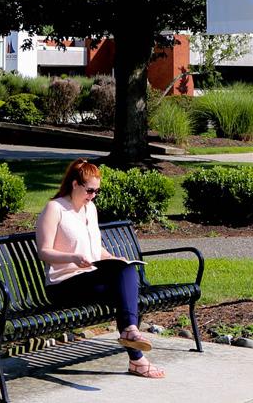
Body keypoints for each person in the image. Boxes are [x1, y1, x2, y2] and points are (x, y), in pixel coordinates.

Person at [34, 158, 165, 379]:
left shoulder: (90, 209)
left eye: (97, 191)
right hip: (64, 284)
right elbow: (43, 252)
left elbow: (95, 247)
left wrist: (113, 258)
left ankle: (133, 343)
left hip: (89, 277)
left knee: (126, 273)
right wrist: (72, 258)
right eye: (90, 190)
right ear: (75, 184)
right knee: (126, 292)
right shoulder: (55, 209)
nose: (93, 195)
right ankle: (136, 354)